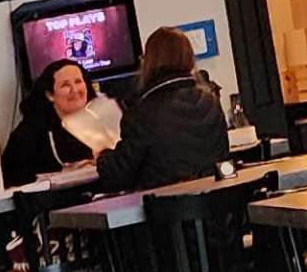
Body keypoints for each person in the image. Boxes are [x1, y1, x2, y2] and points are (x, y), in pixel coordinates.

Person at [90, 27, 230, 192]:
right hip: (216, 205)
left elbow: (119, 176)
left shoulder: (142, 112)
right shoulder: (210, 101)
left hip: (166, 208)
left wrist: (103, 156)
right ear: (189, 59)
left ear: (148, 61)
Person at [0, 58, 127, 184]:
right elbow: (12, 175)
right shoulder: (31, 131)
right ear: (50, 95)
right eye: (65, 85)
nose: (75, 90)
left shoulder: (105, 114)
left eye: (78, 82)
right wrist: (64, 171)